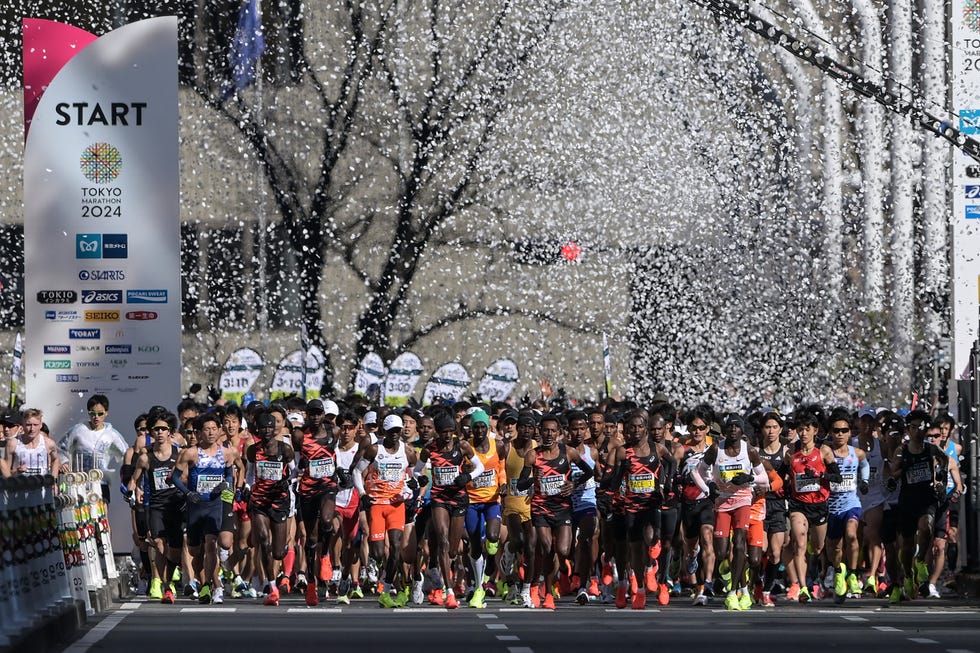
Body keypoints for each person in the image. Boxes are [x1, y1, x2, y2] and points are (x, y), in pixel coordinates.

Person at [690, 413, 767, 611]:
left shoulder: (748, 450)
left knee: (740, 544)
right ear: (724, 431)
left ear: (742, 431)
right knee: (722, 552)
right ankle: (738, 583)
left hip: (743, 500)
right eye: (730, 426)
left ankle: (735, 592)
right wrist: (708, 489)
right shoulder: (717, 448)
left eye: (737, 426)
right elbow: (696, 472)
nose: (733, 429)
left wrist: (749, 479)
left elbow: (764, 479)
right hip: (722, 503)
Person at [515, 413, 593, 609]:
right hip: (541, 508)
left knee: (564, 550)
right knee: (547, 548)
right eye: (545, 430)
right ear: (539, 432)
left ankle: (551, 582)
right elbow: (521, 485)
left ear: (559, 433)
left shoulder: (568, 452)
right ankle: (547, 592)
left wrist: (573, 484)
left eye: (553, 431)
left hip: (563, 508)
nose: (549, 434)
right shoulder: (532, 455)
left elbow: (589, 472)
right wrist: (534, 478)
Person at [417, 412, 484, 609]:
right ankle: (449, 592)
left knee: (453, 550)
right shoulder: (429, 449)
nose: (447, 435)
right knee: (443, 541)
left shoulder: (461, 445)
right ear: (437, 432)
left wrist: (468, 477)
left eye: (450, 431)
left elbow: (480, 466)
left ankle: (441, 573)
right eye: (443, 432)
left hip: (459, 499)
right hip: (439, 499)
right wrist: (420, 479)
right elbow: (416, 470)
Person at [172, 413, 238, 604]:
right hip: (195, 505)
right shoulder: (190, 453)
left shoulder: (226, 452)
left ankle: (210, 585)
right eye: (206, 429)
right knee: (195, 551)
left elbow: (229, 475)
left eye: (213, 428)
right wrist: (187, 492)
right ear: (199, 433)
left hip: (215, 504)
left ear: (219, 431)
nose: (210, 432)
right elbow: (175, 477)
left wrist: (226, 487)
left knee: (211, 544)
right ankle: (203, 582)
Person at [355, 413, 419, 608]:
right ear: (384, 432)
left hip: (396, 506)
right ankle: (379, 568)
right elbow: (357, 471)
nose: (394, 435)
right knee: (378, 551)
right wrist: (363, 493)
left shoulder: (407, 452)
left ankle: (387, 587)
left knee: (396, 547)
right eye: (391, 431)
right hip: (376, 505)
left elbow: (412, 476)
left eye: (397, 431)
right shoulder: (375, 449)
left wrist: (409, 491)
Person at [129, 410, 184, 604]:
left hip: (176, 506)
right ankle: (165, 585)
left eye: (163, 429)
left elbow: (189, 477)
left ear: (170, 432)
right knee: (159, 544)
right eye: (156, 429)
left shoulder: (179, 454)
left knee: (175, 551)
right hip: (156, 506)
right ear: (151, 433)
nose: (160, 432)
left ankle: (170, 578)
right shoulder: (146, 457)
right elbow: (133, 481)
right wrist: (132, 493)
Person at [784, 412, 839, 603]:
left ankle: (817, 572)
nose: (804, 433)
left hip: (819, 504)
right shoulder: (791, 452)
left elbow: (837, 477)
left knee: (817, 548)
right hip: (798, 504)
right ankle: (803, 587)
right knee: (799, 542)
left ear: (815, 431)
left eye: (808, 429)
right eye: (801, 429)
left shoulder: (824, 451)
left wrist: (819, 475)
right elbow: (783, 475)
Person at [246, 411, 294, 606]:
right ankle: (272, 586)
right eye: (262, 427)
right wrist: (248, 488)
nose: (266, 431)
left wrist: (287, 481)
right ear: (257, 429)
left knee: (278, 553)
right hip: (259, 501)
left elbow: (295, 471)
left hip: (279, 500)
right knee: (264, 541)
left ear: (275, 429)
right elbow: (250, 474)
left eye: (269, 427)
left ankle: (281, 564)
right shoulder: (252, 450)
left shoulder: (285, 449)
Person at [824, 411, 869, 602]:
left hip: (851, 502)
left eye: (844, 430)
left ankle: (852, 573)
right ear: (831, 432)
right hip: (832, 506)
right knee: (835, 548)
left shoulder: (856, 453)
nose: (840, 434)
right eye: (836, 430)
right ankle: (838, 571)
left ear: (850, 432)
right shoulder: (825, 452)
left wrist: (865, 481)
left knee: (851, 534)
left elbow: (864, 463)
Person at [465, 409, 506, 608]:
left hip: (491, 500)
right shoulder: (466, 447)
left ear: (488, 428)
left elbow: (502, 470)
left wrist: (503, 484)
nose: (480, 430)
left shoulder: (497, 445)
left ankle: (491, 557)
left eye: (483, 426)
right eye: (476, 427)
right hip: (471, 501)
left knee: (492, 536)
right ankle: (479, 584)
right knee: (474, 543)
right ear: (472, 429)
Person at [58, 394, 129, 503]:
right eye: (92, 413)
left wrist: (127, 476)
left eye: (100, 413)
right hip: (78, 483)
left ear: (106, 413)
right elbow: (60, 448)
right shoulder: (78, 430)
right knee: (80, 517)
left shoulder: (111, 434)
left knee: (102, 518)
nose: (96, 417)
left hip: (101, 484)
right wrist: (64, 462)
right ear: (88, 413)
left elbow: (126, 454)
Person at [5, 409, 59, 478]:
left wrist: (54, 479)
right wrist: (17, 472)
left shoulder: (49, 443)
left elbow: (55, 460)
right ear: (23, 425)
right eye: (28, 425)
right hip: (21, 486)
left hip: (42, 487)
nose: (32, 429)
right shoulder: (13, 443)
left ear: (41, 425)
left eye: (35, 425)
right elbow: (6, 471)